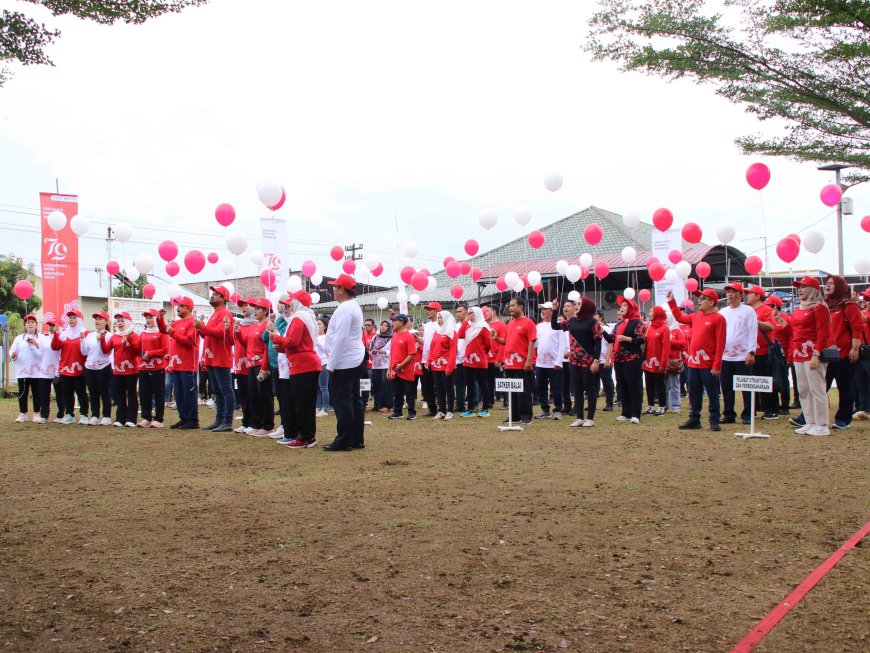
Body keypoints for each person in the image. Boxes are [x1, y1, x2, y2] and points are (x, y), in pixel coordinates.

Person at [668, 289, 726, 431]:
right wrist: (671, 302)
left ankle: (714, 419)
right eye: (700, 298)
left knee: (712, 393)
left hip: (708, 364)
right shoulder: (696, 316)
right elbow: (680, 318)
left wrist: (717, 364)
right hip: (693, 363)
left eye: (703, 298)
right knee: (694, 392)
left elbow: (721, 343)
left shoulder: (718, 319)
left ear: (711, 302)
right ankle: (694, 418)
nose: (699, 301)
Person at [270, 290, 321, 448]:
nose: (289, 304)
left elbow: (293, 342)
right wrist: (281, 346)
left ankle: (305, 437)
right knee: (305, 403)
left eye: (292, 300)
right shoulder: (305, 317)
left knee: (303, 404)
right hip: (305, 364)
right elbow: (296, 343)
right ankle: (307, 435)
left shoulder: (299, 318)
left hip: (303, 365)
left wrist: (276, 337)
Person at [322, 274, 366, 451]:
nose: (333, 290)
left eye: (335, 287)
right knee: (354, 400)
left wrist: (331, 364)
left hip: (345, 361)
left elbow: (341, 338)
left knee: (343, 402)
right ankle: (356, 438)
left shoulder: (345, 309)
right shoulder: (352, 306)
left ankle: (344, 440)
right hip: (353, 359)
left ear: (341, 289)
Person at [790, 276, 833, 436]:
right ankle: (810, 421)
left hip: (813, 353)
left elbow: (823, 332)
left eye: (803, 287)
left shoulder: (820, 307)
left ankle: (822, 424)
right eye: (798, 287)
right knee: (803, 390)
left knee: (817, 389)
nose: (800, 290)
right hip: (798, 353)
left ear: (813, 289)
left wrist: (816, 353)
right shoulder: (800, 307)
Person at [823, 275, 863, 430]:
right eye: (827, 283)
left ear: (840, 286)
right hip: (827, 352)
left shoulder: (849, 305)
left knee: (844, 385)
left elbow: (856, 328)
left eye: (832, 283)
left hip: (845, 352)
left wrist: (855, 348)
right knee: (821, 385)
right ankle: (809, 415)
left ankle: (843, 418)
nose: (828, 285)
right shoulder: (825, 305)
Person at [195, 285, 236, 432]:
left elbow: (220, 333)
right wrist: (201, 329)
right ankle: (219, 420)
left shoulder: (225, 314)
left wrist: (203, 327)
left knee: (225, 390)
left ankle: (227, 421)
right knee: (217, 390)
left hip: (220, 357)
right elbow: (209, 334)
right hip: (212, 357)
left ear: (224, 298)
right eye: (212, 293)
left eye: (216, 294)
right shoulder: (215, 314)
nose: (212, 296)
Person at [718, 282, 758, 425]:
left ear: (740, 295)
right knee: (727, 387)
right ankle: (728, 413)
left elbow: (753, 331)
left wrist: (751, 351)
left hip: (742, 356)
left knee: (746, 386)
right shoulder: (723, 312)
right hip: (726, 355)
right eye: (728, 292)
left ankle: (748, 414)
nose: (729, 294)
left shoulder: (748, 311)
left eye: (733, 291)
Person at [493, 297, 536, 425]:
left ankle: (526, 416)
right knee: (511, 391)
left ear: (521, 307)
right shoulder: (510, 323)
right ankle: (514, 415)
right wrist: (496, 338)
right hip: (509, 363)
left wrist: (529, 360)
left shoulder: (528, 322)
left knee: (524, 391)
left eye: (513, 305)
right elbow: (505, 341)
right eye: (509, 306)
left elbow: (532, 341)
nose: (510, 308)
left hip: (522, 363)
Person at [158, 297, 200, 430]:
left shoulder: (193, 322)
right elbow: (164, 330)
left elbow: (189, 340)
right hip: (176, 364)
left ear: (188, 308)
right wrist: (160, 319)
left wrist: (173, 333)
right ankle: (183, 418)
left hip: (188, 364)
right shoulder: (177, 323)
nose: (178, 308)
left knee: (189, 392)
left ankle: (192, 419)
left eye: (181, 306)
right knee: (179, 393)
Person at [561, 297, 601, 428]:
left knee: (590, 389)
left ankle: (590, 418)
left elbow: (598, 342)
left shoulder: (593, 322)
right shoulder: (572, 321)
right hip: (574, 360)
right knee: (577, 389)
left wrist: (596, 361)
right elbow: (556, 326)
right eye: (576, 304)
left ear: (586, 306)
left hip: (588, 360)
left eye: (579, 304)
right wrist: (555, 310)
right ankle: (579, 417)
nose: (576, 306)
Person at [603, 297, 645, 424]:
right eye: (622, 305)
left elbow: (642, 339)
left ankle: (635, 413)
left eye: (625, 305)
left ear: (631, 308)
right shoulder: (619, 324)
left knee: (634, 386)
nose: (622, 307)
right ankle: (625, 412)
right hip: (619, 359)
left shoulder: (637, 323)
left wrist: (627, 339)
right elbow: (611, 338)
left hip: (632, 358)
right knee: (622, 386)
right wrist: (599, 329)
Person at [745, 285, 780, 420]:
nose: (747, 296)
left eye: (750, 293)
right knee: (751, 380)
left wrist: (755, 320)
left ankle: (772, 409)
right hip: (750, 351)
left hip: (764, 351)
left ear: (757, 296)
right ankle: (753, 408)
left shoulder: (765, 309)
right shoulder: (748, 310)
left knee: (765, 380)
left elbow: (771, 326)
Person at [101, 311, 140, 427]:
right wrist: (102, 339)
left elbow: (137, 351)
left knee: (132, 394)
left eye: (122, 321)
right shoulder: (114, 336)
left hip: (131, 370)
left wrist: (129, 341)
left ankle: (131, 419)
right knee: (120, 394)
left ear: (127, 322)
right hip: (118, 370)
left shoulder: (133, 334)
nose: (120, 323)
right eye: (118, 321)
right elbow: (105, 350)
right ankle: (120, 418)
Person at [240, 297, 273, 437]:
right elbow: (246, 343)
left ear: (265, 311)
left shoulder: (268, 326)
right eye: (255, 308)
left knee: (264, 395)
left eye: (258, 308)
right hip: (251, 364)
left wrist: (264, 366)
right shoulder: (253, 325)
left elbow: (267, 348)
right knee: (253, 394)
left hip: (261, 364)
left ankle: (267, 425)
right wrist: (237, 333)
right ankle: (256, 423)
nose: (255, 311)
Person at [51, 309, 89, 425]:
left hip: (79, 368)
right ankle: (69, 414)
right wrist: (56, 334)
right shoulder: (64, 333)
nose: (71, 320)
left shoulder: (85, 333)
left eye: (74, 318)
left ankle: (84, 414)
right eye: (70, 318)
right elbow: (55, 346)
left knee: (81, 392)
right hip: (65, 367)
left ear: (79, 319)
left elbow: (86, 350)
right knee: (67, 392)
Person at [11, 314, 49, 424]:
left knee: (37, 393)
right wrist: (13, 354)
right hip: (22, 371)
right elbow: (12, 351)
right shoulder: (19, 338)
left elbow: (44, 352)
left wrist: (36, 344)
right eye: (28, 322)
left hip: (37, 372)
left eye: (32, 322)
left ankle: (37, 413)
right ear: (24, 325)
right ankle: (23, 413)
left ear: (36, 325)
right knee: (23, 393)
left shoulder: (42, 338)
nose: (30, 324)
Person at [457, 306, 493, 417]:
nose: (470, 315)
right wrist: (465, 321)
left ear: (477, 314)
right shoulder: (468, 326)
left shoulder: (484, 327)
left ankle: (485, 408)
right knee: (470, 385)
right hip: (468, 361)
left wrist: (481, 353)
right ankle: (471, 409)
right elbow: (460, 335)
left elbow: (488, 345)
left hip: (480, 360)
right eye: (469, 313)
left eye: (472, 313)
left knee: (483, 385)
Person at [80, 311, 113, 425]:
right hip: (90, 367)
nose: (97, 321)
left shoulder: (109, 336)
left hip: (103, 366)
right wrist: (82, 341)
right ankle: (94, 415)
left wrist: (102, 340)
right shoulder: (90, 335)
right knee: (93, 393)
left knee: (104, 392)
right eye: (96, 319)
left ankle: (107, 416)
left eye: (100, 319)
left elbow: (107, 352)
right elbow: (84, 352)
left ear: (106, 321)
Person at [138, 308, 169, 428]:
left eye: (151, 317)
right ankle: (146, 417)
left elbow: (165, 350)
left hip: (157, 367)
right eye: (146, 318)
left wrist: (150, 354)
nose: (148, 320)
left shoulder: (162, 332)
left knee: (158, 393)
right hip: (143, 367)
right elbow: (138, 348)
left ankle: (159, 418)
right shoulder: (143, 333)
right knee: (144, 393)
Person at [534, 302, 564, 420]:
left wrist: (559, 361)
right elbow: (536, 344)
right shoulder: (538, 326)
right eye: (542, 309)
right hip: (540, 363)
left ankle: (557, 410)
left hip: (554, 363)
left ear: (552, 311)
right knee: (540, 386)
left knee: (556, 387)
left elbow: (562, 344)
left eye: (546, 309)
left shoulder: (558, 326)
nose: (543, 311)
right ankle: (544, 409)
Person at [428, 310, 457, 420]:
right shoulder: (437, 332)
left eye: (441, 318)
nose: (439, 320)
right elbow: (432, 348)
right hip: (436, 365)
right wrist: (429, 361)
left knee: (448, 388)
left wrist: (449, 367)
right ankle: (441, 411)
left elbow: (453, 351)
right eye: (438, 318)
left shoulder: (452, 332)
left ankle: (450, 411)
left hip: (447, 365)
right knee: (439, 389)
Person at [766, 295, 793, 414]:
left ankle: (785, 404)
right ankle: (774, 405)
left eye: (770, 307)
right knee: (771, 379)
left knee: (782, 379)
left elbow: (791, 337)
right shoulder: (768, 319)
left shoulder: (787, 318)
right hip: (770, 353)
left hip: (783, 354)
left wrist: (790, 356)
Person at [387, 313, 418, 420]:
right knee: (397, 392)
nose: (393, 323)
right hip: (395, 369)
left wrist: (401, 365)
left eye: (395, 321)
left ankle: (411, 412)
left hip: (406, 369)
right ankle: (397, 412)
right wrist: (389, 368)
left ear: (401, 322)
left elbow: (412, 354)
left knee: (409, 392)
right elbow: (391, 353)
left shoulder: (409, 336)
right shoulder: (394, 335)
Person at [641, 306, 670, 416]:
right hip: (648, 362)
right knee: (649, 385)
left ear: (657, 313)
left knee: (660, 385)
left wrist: (663, 364)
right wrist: (643, 359)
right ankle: (650, 406)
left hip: (658, 363)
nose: (649, 313)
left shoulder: (664, 328)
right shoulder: (649, 327)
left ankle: (662, 406)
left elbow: (666, 348)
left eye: (651, 311)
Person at [232, 298, 255, 433]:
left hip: (251, 364)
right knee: (243, 395)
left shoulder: (256, 325)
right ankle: (246, 421)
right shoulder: (240, 324)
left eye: (246, 305)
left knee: (252, 395)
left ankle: (253, 422)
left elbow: (247, 343)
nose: (243, 308)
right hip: (239, 365)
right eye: (242, 306)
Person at [419, 302, 440, 417]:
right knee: (427, 385)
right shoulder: (426, 325)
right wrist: (418, 338)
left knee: (439, 385)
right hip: (425, 359)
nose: (428, 311)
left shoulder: (440, 324)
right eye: (428, 309)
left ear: (436, 311)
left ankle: (442, 407)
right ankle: (432, 409)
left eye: (430, 309)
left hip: (436, 360)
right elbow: (426, 343)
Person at [663, 306, 686, 414]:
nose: (665, 320)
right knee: (665, 384)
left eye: (667, 318)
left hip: (674, 361)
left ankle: (676, 405)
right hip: (664, 361)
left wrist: (671, 341)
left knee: (674, 384)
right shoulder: (664, 330)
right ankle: (665, 405)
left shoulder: (677, 331)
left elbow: (682, 344)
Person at [852, 289, 870, 420]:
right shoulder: (863, 312)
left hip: (866, 352)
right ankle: (864, 408)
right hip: (863, 352)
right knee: (860, 381)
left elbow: (862, 319)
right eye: (865, 299)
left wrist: (852, 304)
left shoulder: (863, 314)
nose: (866, 301)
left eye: (868, 299)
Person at [369, 320, 393, 413]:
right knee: (376, 385)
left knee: (385, 385)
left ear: (389, 328)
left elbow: (394, 352)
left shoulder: (391, 338)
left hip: (385, 364)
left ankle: (386, 405)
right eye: (382, 325)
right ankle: (377, 405)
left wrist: (385, 352)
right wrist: (373, 352)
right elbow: (370, 350)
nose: (383, 327)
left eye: (385, 326)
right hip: (375, 365)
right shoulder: (376, 337)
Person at [486, 305, 507, 408]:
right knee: (489, 382)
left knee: (501, 381)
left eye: (488, 311)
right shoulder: (486, 325)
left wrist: (499, 359)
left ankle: (506, 401)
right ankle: (490, 401)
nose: (486, 313)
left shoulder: (502, 325)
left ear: (494, 312)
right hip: (487, 359)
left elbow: (503, 343)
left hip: (497, 359)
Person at [594, 309, 615, 411]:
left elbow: (611, 343)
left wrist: (608, 359)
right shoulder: (591, 328)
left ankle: (609, 404)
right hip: (594, 360)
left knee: (607, 382)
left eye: (595, 315)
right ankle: (592, 404)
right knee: (593, 384)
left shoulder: (606, 329)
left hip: (604, 359)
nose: (593, 317)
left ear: (601, 317)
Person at [453, 303, 471, 413]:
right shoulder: (455, 325)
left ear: (466, 312)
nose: (458, 313)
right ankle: (460, 404)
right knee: (458, 383)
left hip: (468, 358)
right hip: (457, 358)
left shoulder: (471, 324)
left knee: (471, 383)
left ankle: (472, 405)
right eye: (457, 311)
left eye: (460, 311)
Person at [315, 317, 334, 416]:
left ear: (325, 326)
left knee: (324, 387)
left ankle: (325, 407)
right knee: (317, 387)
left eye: (319, 324)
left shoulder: (327, 337)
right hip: (314, 364)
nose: (317, 326)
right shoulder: (314, 337)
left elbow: (326, 349)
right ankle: (318, 406)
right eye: (316, 323)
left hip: (324, 363)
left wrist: (316, 342)